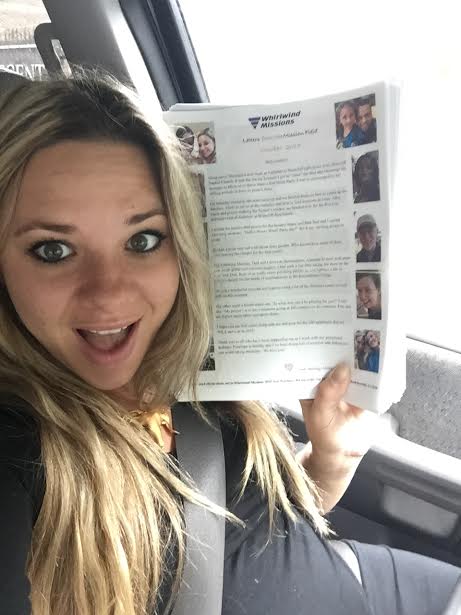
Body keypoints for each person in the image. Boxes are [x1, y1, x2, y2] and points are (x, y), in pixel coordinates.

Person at [0, 70, 459, 615]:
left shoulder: (187, 364)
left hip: (366, 578)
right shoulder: (20, 450)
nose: (108, 293)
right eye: (53, 250)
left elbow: (249, 537)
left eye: (143, 239)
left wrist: (330, 458)